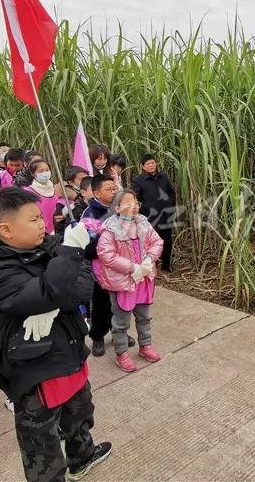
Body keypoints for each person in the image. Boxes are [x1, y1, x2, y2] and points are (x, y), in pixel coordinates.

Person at [0, 187, 112, 482]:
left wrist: (54, 298)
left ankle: (82, 457)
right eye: (34, 219)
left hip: (70, 349)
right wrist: (69, 258)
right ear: (6, 230)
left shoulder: (49, 245)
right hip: (36, 367)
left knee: (80, 410)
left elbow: (84, 285)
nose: (42, 224)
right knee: (40, 439)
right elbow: (52, 290)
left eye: (41, 217)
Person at [96, 190, 163, 372]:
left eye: (135, 202)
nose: (133, 206)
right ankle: (122, 353)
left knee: (144, 316)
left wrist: (149, 259)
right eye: (127, 204)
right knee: (121, 321)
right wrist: (133, 268)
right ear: (117, 208)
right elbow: (106, 255)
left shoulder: (143, 223)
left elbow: (157, 242)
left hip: (143, 279)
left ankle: (145, 346)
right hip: (123, 282)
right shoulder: (110, 229)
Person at [80, 175, 135, 357]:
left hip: (119, 267)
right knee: (101, 305)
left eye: (114, 189)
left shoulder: (119, 209)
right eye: (108, 189)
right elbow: (88, 248)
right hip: (100, 271)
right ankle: (97, 336)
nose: (113, 192)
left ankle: (119, 332)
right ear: (96, 193)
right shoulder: (90, 215)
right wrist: (109, 244)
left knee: (120, 305)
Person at [131, 154, 176, 272]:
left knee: (167, 241)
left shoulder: (163, 177)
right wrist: (146, 209)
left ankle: (166, 265)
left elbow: (171, 192)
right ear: (143, 166)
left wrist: (170, 204)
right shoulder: (138, 181)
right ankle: (152, 265)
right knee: (152, 242)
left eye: (153, 163)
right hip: (151, 218)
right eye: (148, 164)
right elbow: (136, 199)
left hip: (166, 215)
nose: (151, 165)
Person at [25, 160, 60, 234]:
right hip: (41, 232)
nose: (45, 173)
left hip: (59, 229)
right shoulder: (27, 192)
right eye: (41, 171)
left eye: (47, 170)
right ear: (33, 174)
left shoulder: (57, 188)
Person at [53, 166, 89, 235]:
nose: (86, 182)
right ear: (71, 183)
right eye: (82, 179)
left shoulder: (89, 196)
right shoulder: (63, 203)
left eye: (87, 179)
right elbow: (59, 226)